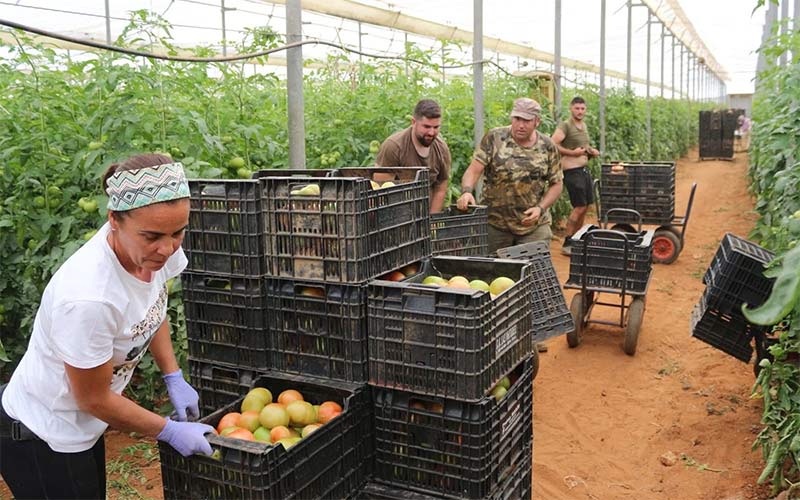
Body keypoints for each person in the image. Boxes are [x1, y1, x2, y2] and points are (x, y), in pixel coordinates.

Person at [0, 153, 215, 499]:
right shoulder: (89, 298)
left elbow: (152, 306)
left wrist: (172, 375)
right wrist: (169, 431)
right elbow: (94, 398)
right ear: (113, 219)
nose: (167, 247)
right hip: (44, 431)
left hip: (82, 423)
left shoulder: (155, 248)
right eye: (153, 236)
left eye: (179, 232)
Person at [457, 97, 563, 254]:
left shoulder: (547, 146)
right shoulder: (494, 137)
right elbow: (474, 170)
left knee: (532, 272)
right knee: (492, 272)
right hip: (494, 224)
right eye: (517, 118)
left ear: (537, 122)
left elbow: (557, 183)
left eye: (526, 120)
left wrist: (541, 208)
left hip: (533, 226)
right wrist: (466, 191)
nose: (520, 125)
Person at [376, 99, 451, 213]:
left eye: (436, 127)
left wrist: (432, 220)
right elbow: (381, 189)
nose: (431, 133)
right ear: (413, 122)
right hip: (395, 215)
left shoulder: (441, 149)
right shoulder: (394, 147)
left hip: (424, 214)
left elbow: (440, 187)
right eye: (426, 127)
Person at [551, 96, 599, 256]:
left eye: (582, 109)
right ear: (571, 108)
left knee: (585, 206)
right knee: (579, 207)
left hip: (583, 171)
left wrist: (591, 151)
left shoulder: (583, 125)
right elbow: (553, 144)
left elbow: (582, 146)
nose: (580, 111)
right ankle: (568, 241)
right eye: (577, 108)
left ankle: (578, 239)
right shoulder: (566, 125)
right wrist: (572, 153)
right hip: (572, 172)